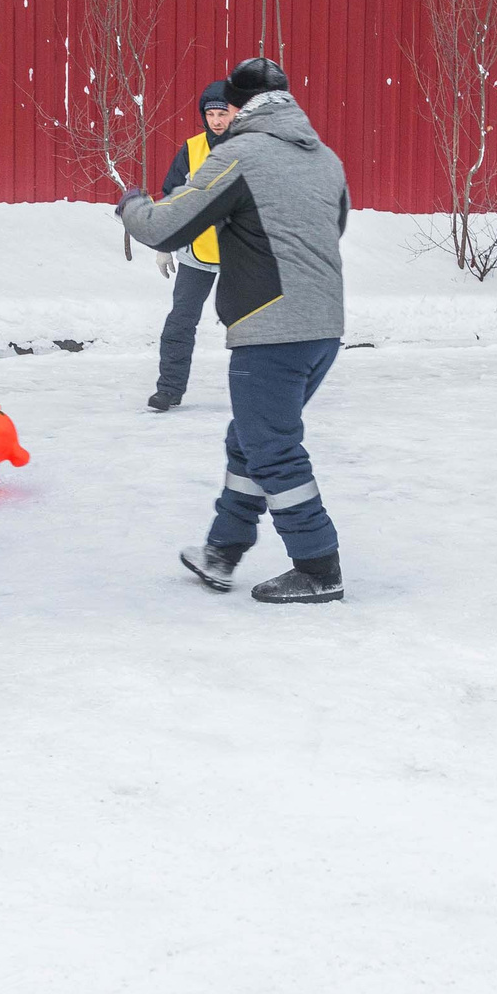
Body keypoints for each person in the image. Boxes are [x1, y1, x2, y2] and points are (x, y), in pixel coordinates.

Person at [119, 56, 353, 605]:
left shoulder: (239, 155)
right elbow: (333, 226)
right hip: (323, 327)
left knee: (272, 448)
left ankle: (319, 568)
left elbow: (166, 226)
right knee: (250, 439)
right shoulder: (326, 159)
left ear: (241, 104)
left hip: (271, 325)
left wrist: (132, 203)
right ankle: (222, 552)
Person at [150, 80, 236, 411]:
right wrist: (164, 243)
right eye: (211, 114)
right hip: (197, 252)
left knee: (252, 328)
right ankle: (169, 390)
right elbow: (173, 196)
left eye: (223, 113)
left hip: (239, 254)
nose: (217, 120)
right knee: (180, 322)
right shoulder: (193, 148)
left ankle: (264, 392)